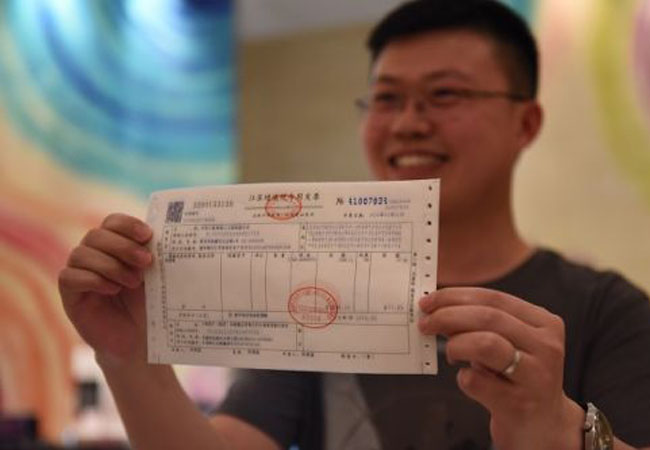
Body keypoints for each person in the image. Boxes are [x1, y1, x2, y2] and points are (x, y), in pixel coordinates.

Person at [58, 1, 650, 449]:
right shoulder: (311, 296)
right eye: (387, 98)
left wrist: (562, 431)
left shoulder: (609, 311)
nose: (408, 123)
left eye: (445, 94)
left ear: (527, 123)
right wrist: (127, 359)